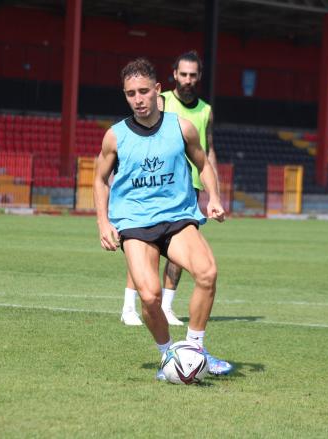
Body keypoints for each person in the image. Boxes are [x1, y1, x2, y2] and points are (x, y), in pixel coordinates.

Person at [94, 58, 233, 378]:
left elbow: (204, 164)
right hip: (135, 223)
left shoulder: (181, 127)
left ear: (158, 90)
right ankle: (168, 355)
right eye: (131, 94)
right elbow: (99, 180)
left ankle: (195, 350)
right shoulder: (114, 136)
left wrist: (213, 197)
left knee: (208, 272)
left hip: (177, 217)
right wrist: (103, 222)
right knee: (150, 295)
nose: (138, 99)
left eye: (144, 91)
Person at [120, 51, 218, 327]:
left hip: (189, 190)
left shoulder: (206, 111)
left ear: (199, 77)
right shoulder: (160, 101)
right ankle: (129, 305)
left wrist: (215, 194)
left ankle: (167, 305)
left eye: (192, 75)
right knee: (142, 243)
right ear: (173, 75)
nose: (187, 79)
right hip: (156, 187)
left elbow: (207, 153)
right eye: (183, 74)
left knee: (182, 256)